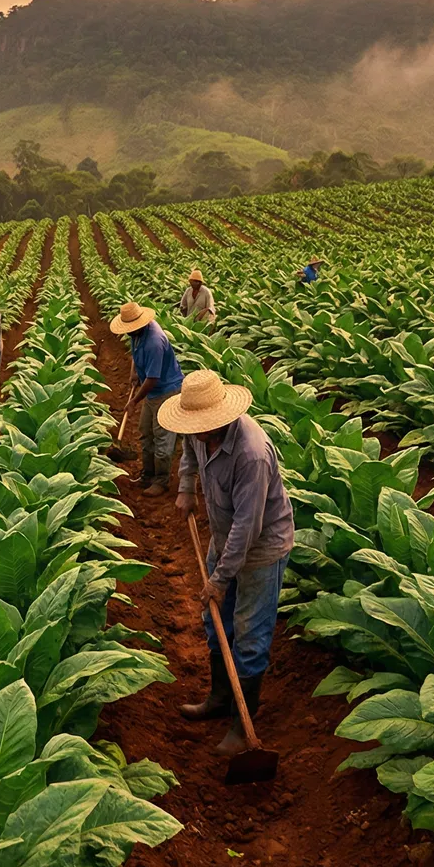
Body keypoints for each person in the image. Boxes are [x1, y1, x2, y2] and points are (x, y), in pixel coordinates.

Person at [162, 369, 295, 756]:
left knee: (250, 636)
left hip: (259, 549)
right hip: (226, 538)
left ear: (221, 418)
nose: (196, 433)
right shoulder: (199, 432)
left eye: (201, 427)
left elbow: (247, 528)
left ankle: (242, 728)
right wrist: (187, 488)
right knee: (213, 619)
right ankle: (220, 697)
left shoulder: (252, 454)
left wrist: (219, 579)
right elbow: (187, 450)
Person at [108, 301, 185, 496]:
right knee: (145, 431)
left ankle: (161, 480)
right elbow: (135, 355)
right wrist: (134, 373)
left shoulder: (154, 341)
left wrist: (134, 401)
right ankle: (148, 475)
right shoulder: (137, 334)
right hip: (152, 391)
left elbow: (152, 379)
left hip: (166, 391)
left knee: (162, 436)